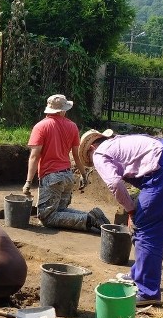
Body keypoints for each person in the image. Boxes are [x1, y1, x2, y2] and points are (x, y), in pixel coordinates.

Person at [78, 129, 163, 306]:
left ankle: (147, 291)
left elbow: (114, 183)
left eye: (89, 157)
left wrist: (131, 210)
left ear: (92, 147)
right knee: (159, 228)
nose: (93, 162)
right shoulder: (119, 142)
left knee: (145, 229)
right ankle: (139, 274)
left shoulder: (99, 153)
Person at [23, 94, 110, 232]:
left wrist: (28, 182)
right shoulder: (72, 126)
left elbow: (34, 156)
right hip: (67, 176)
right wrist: (83, 174)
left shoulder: (40, 127)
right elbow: (76, 155)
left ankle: (88, 220)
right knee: (61, 210)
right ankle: (93, 215)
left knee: (46, 218)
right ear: (63, 110)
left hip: (51, 178)